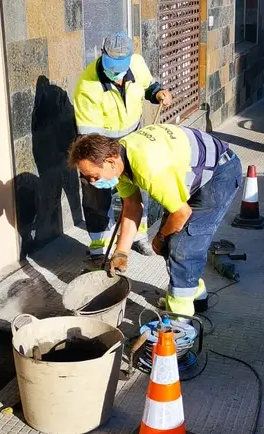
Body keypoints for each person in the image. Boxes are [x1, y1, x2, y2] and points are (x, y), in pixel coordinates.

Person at [68, 124, 243, 317]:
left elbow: (181, 213)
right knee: (169, 243)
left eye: (94, 176)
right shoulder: (122, 159)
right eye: (87, 178)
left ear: (110, 161)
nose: (92, 183)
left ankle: (179, 324)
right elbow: (132, 207)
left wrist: (160, 237)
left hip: (220, 173)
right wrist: (121, 253)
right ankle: (195, 293)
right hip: (191, 172)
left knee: (182, 247)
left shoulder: (148, 168)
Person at [74, 32, 173, 270]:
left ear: (130, 58)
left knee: (138, 184)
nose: (115, 73)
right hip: (101, 142)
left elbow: (148, 86)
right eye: (111, 67)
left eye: (120, 67)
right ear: (102, 54)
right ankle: (99, 242)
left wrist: (158, 93)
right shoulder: (87, 87)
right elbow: (89, 140)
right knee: (96, 187)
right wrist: (104, 167)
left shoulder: (137, 64)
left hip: (132, 139)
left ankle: (137, 234)